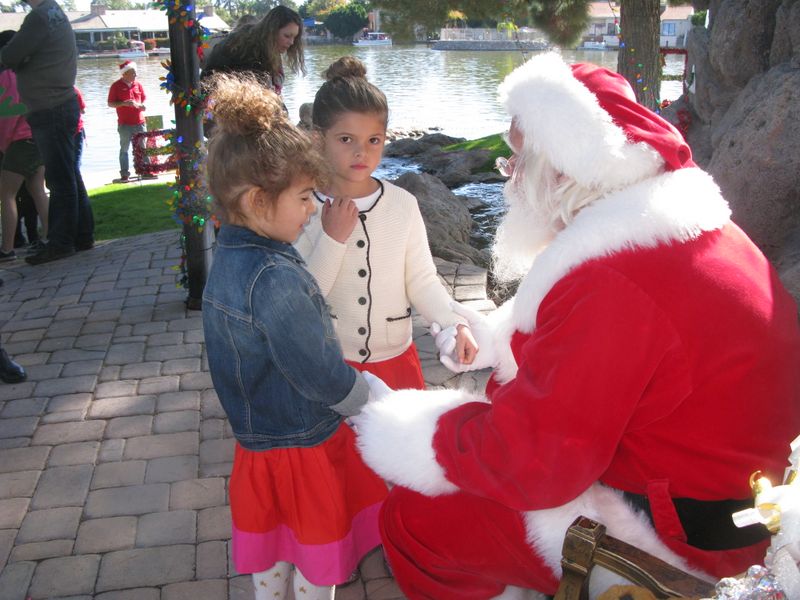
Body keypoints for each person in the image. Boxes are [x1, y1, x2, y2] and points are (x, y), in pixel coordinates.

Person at [351, 53, 800, 599]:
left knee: (415, 519)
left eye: (516, 163)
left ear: (562, 169)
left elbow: (536, 465)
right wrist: (496, 337)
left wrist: (410, 430)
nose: (509, 179)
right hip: (737, 503)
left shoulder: (613, 284)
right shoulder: (677, 232)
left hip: (685, 538)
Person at [201, 72, 387, 600]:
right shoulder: (275, 276)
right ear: (260, 201)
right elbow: (315, 371)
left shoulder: (230, 261)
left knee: (276, 554)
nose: (311, 209)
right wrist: (368, 397)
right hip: (302, 448)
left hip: (257, 446)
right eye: (305, 197)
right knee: (316, 560)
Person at [294, 56, 478, 391]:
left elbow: (421, 280)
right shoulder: (303, 208)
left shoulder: (403, 205)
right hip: (331, 366)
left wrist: (454, 324)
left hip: (395, 364)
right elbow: (301, 298)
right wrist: (332, 239)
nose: (361, 152)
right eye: (346, 139)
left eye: (373, 140)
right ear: (319, 140)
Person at [0, 0, 94, 266]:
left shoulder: (40, 18)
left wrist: (22, 60)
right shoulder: (54, 14)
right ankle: (83, 235)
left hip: (49, 107)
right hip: (60, 105)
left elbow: (8, 56)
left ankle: (61, 243)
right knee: (69, 175)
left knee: (59, 179)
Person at [0, 29, 48, 261]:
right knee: (38, 190)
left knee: (6, 194)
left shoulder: (6, 76)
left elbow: (8, 115)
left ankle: (7, 248)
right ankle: (48, 238)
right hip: (38, 136)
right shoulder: (31, 72)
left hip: (19, 141)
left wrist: (4, 145)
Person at [201, 5, 305, 96]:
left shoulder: (267, 46)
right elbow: (256, 97)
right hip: (216, 100)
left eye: (294, 37)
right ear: (271, 31)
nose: (291, 42)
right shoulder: (248, 50)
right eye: (287, 36)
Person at [107, 61, 155, 183]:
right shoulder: (115, 86)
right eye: (133, 73)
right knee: (124, 149)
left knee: (142, 148)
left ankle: (146, 171)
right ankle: (124, 174)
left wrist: (140, 106)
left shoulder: (138, 85)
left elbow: (143, 100)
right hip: (124, 124)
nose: (135, 75)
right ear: (125, 74)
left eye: (135, 72)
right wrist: (123, 103)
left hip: (139, 122)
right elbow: (110, 103)